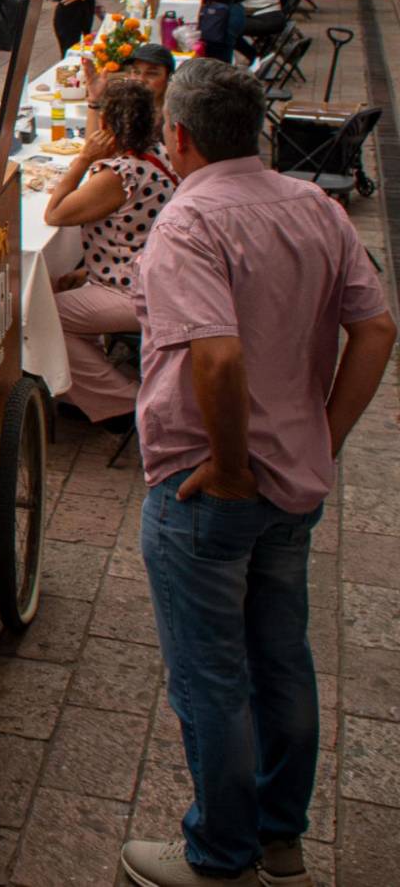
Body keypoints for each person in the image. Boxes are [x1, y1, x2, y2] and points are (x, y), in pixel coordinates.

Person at [119, 59, 395, 887]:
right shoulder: (314, 204)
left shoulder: (189, 221)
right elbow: (375, 330)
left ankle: (221, 851)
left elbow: (219, 352)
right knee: (282, 659)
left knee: (211, 677)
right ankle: (280, 835)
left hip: (211, 486)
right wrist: (323, 435)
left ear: (180, 136)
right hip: (293, 480)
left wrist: (234, 464)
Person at [41, 77, 174, 434]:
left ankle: (121, 401)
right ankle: (83, 390)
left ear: (107, 127)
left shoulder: (120, 174)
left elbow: (55, 213)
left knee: (40, 315)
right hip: (146, 277)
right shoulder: (157, 154)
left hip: (131, 291)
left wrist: (83, 160)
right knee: (61, 287)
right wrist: (86, 270)